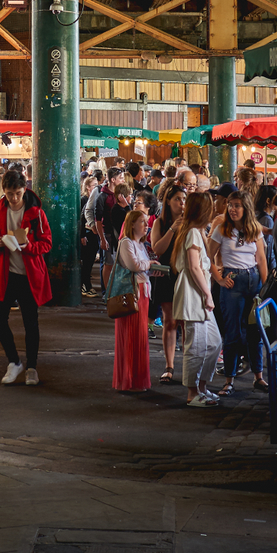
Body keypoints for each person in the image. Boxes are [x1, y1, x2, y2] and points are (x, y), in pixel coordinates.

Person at [0, 168, 52, 386]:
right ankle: (14, 361)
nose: (14, 199)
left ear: (25, 190)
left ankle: (32, 366)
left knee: (31, 323)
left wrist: (29, 246)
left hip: (29, 275)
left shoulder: (37, 212)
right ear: (3, 191)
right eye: (10, 194)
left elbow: (47, 242)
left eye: (18, 194)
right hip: (6, 273)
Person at [208, 191, 268, 396]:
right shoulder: (221, 229)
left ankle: (258, 377)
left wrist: (265, 287)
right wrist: (219, 279)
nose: (232, 209)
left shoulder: (254, 230)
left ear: (246, 208)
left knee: (255, 331)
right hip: (232, 283)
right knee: (232, 333)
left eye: (237, 206)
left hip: (254, 282)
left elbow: (261, 259)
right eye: (230, 205)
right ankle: (229, 380)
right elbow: (206, 257)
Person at [171, 193, 221, 407]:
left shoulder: (197, 231)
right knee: (197, 345)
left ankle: (201, 387)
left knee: (214, 342)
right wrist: (208, 294)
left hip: (199, 293)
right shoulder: (192, 232)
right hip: (194, 294)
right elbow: (193, 267)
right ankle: (193, 393)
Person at [113, 208, 156, 393]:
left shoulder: (141, 245)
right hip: (132, 293)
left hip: (143, 292)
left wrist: (152, 269)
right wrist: (149, 265)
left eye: (146, 222)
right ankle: (128, 379)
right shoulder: (126, 242)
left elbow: (142, 268)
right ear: (131, 224)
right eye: (142, 222)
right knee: (131, 335)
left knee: (140, 336)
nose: (146, 226)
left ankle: (137, 379)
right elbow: (134, 266)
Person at [148, 183, 185, 384]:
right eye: (178, 199)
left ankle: (189, 365)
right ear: (168, 202)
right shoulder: (159, 224)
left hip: (186, 275)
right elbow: (158, 249)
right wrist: (173, 228)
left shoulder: (191, 222)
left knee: (186, 322)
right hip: (167, 275)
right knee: (170, 321)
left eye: (184, 200)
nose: (181, 204)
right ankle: (169, 366)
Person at [94, 167, 125, 292]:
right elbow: (98, 219)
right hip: (108, 234)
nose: (123, 180)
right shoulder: (102, 196)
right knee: (108, 264)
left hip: (121, 234)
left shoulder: (121, 194)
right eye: (121, 178)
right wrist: (102, 238)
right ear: (113, 180)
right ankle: (107, 293)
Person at [79, 174, 100, 298]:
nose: (97, 188)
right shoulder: (83, 200)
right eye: (94, 186)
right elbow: (81, 218)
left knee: (89, 261)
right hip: (87, 234)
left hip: (92, 234)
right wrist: (82, 235)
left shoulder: (95, 198)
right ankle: (85, 285)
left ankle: (85, 284)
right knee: (86, 262)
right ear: (87, 187)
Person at [254, 184, 277, 272]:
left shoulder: (255, 215)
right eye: (276, 199)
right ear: (268, 201)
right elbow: (268, 248)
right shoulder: (267, 220)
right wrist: (272, 268)